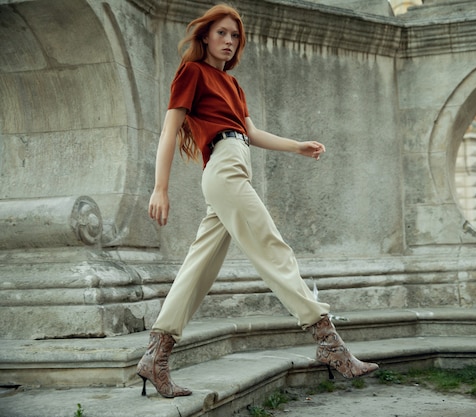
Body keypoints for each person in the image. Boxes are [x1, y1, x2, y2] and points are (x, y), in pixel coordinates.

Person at [136, 4, 378, 398]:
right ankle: (329, 342)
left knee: (199, 267)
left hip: (235, 165)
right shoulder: (192, 73)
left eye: (235, 37)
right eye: (221, 34)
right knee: (271, 245)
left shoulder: (232, 86)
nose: (229, 42)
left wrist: (296, 147)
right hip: (223, 168)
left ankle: (155, 355)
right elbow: (169, 131)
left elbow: (251, 132)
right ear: (204, 36)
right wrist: (160, 187)